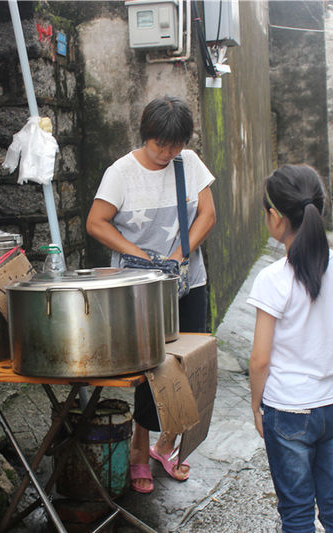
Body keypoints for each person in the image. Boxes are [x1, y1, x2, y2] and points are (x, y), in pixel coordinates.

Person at [86, 96, 216, 494]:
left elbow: (207, 215)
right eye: (162, 145)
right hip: (140, 292)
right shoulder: (121, 173)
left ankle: (167, 445)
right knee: (147, 370)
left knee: (188, 363)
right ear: (147, 136)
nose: (168, 153)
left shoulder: (188, 164)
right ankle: (139, 452)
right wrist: (139, 254)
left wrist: (181, 253)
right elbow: (96, 222)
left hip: (188, 282)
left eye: (175, 145)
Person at [249, 164, 333, 532]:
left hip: (289, 409)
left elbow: (260, 360)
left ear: (276, 217)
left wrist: (256, 405)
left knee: (296, 512)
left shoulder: (273, 279)